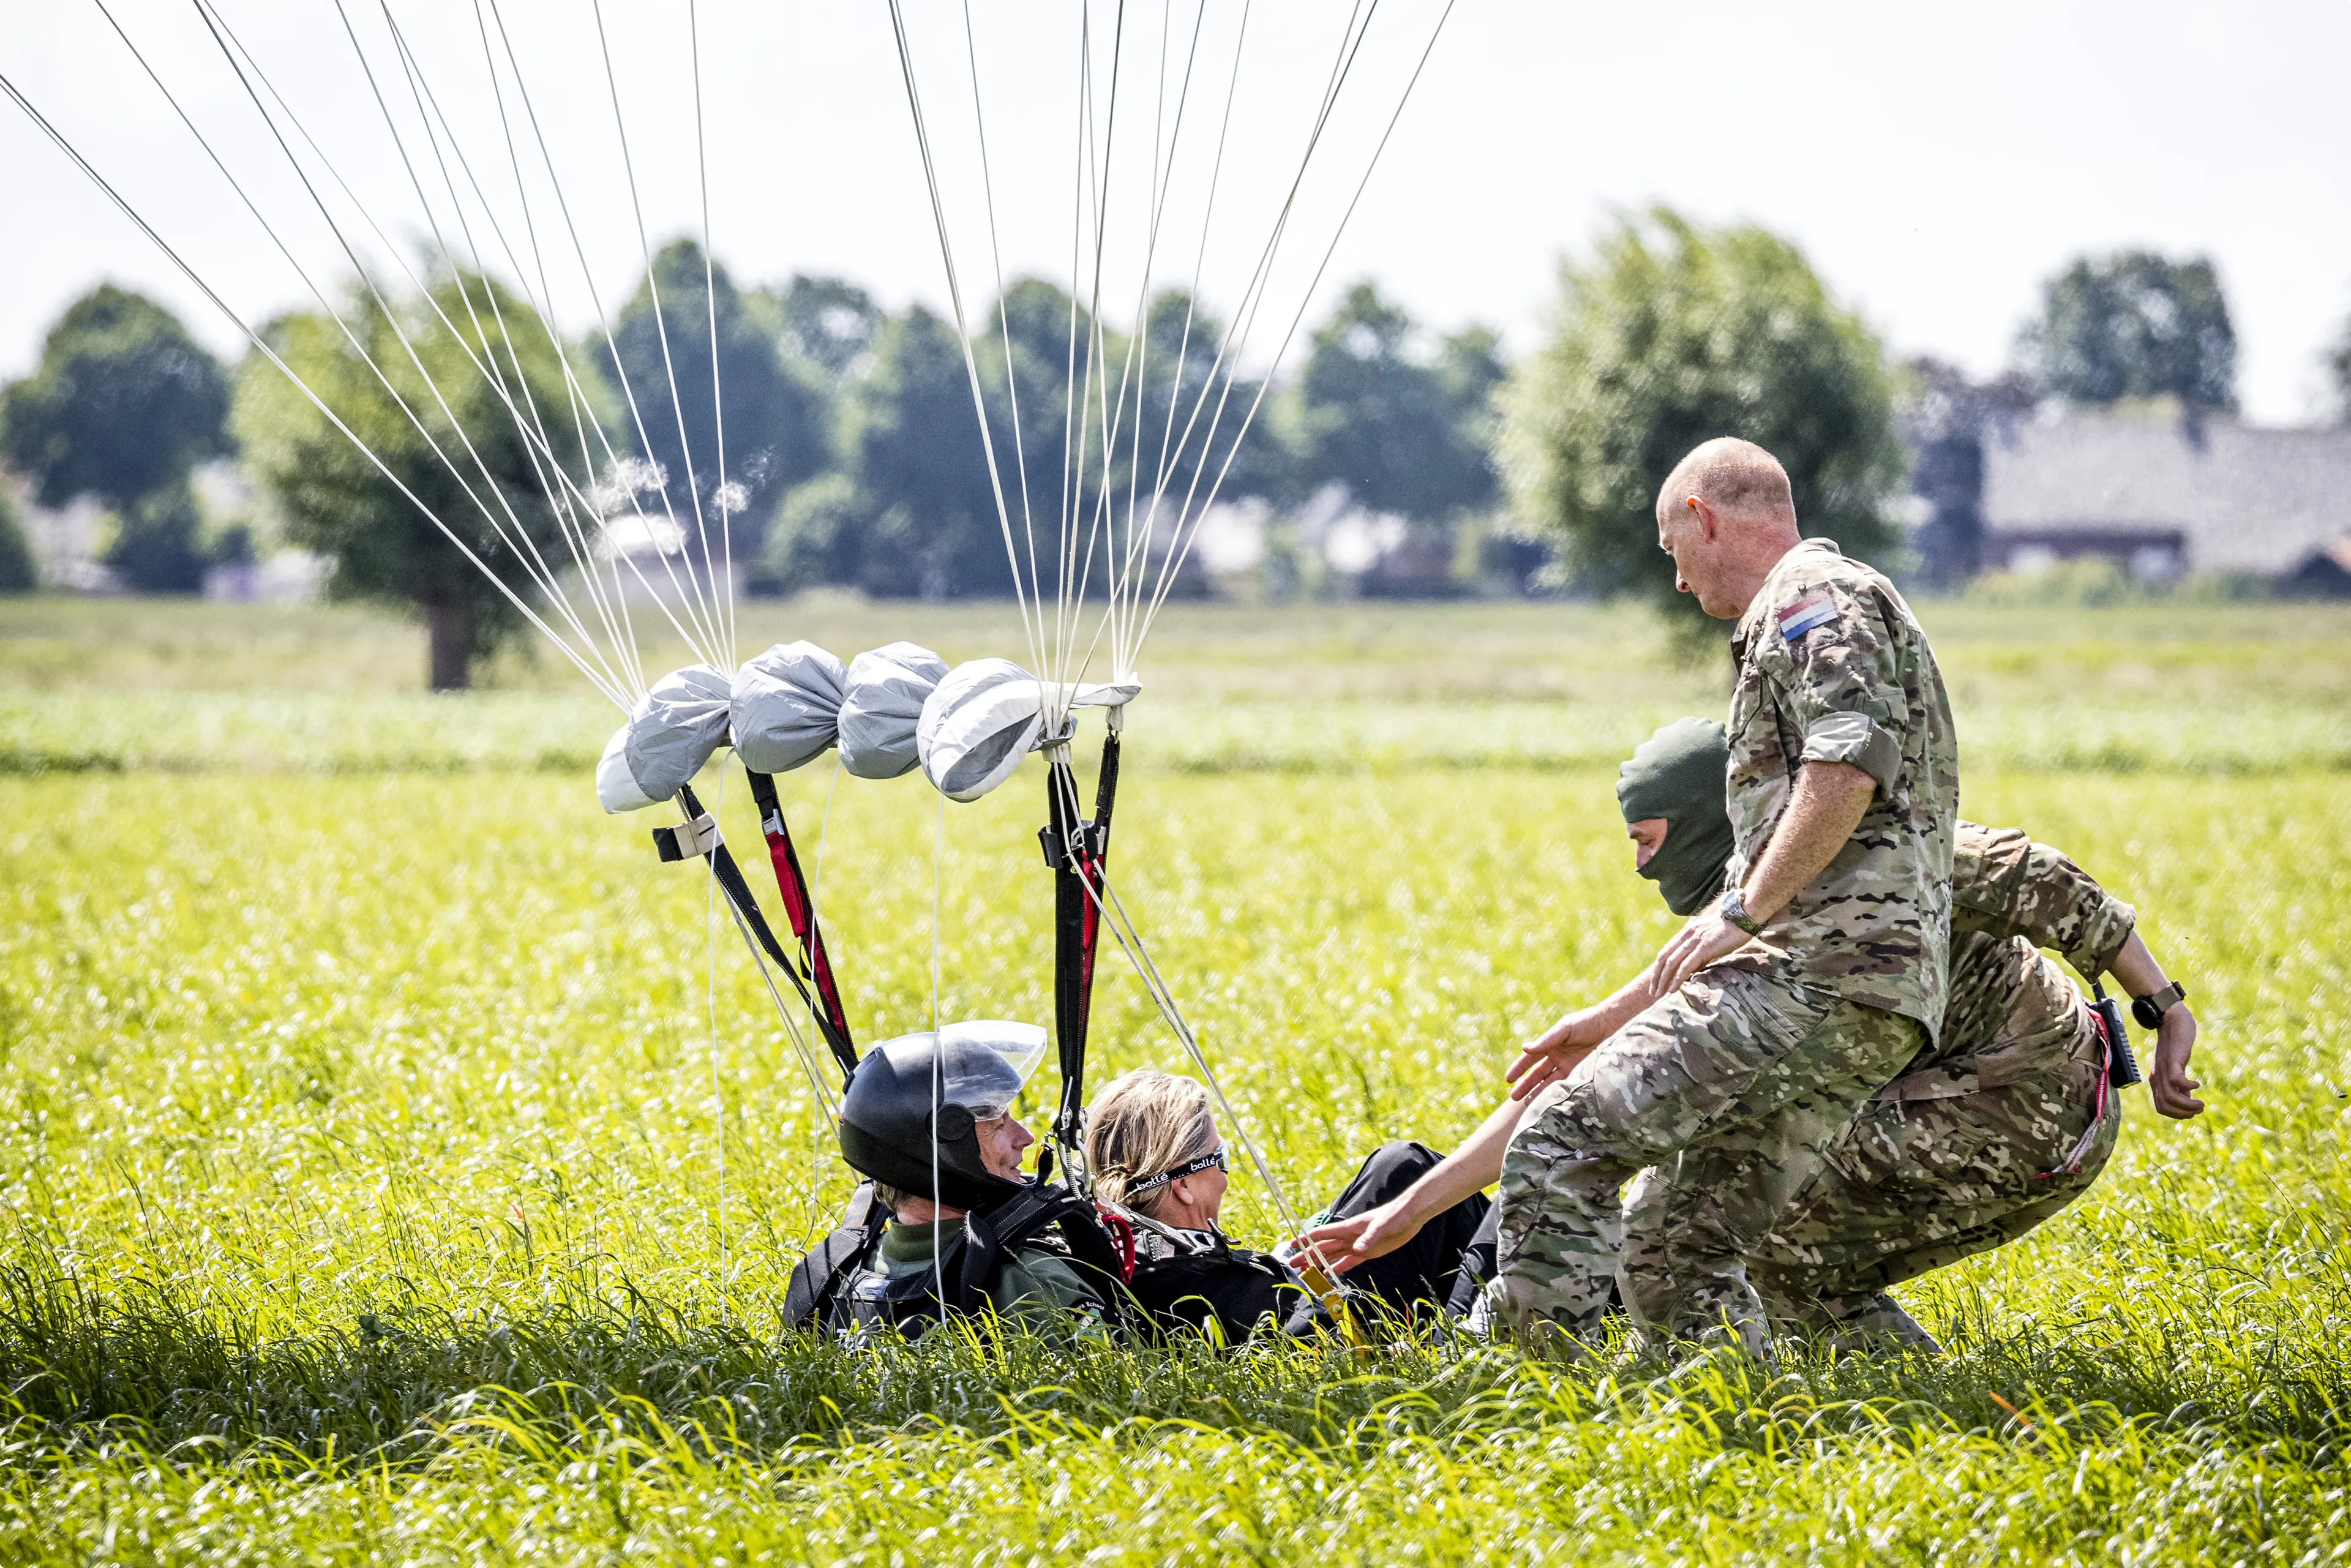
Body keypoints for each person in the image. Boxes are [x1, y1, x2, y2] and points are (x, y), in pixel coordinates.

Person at [1302, 716, 2205, 1352]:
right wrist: (1409, 1210)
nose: (1642, 864)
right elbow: (1587, 1094)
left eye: (1649, 837)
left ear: (1707, 819)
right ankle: (1911, 1394)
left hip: (2023, 1099)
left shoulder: (1861, 858)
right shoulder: (1740, 919)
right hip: (1994, 1110)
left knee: (1702, 1211)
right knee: (1769, 1251)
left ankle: (1713, 1404)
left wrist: (2165, 1008)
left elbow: (2040, 877)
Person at [1484, 437, 1962, 1356]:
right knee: (1676, 1240)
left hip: (1816, 973)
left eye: (1673, 551)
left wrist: (1743, 911)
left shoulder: (1811, 598)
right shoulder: (1819, 606)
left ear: (1704, 517)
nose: (1677, 583)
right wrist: (1616, 1012)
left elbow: (1849, 754)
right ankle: (1757, 1430)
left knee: (1556, 1142)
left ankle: (1543, 1409)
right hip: (1873, 995)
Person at [1084, 1070, 1497, 1342]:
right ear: (1185, 1184)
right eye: (1220, 1158)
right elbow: (1319, 1332)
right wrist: (1307, 1275)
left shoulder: (1137, 1251)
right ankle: (1496, 1335)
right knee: (1517, 1196)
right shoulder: (1193, 1282)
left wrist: (1285, 1258)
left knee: (1401, 1166)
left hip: (1326, 1306)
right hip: (1358, 1335)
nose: (1227, 1177)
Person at [783, 1025, 1125, 1342]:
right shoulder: (1030, 1281)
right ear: (945, 1149)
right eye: (998, 1123)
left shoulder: (830, 1277)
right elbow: (1133, 1389)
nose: (1025, 1136)